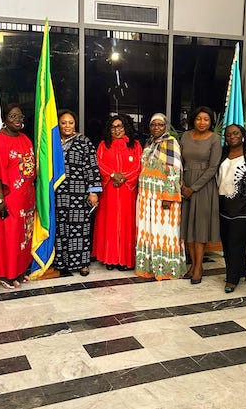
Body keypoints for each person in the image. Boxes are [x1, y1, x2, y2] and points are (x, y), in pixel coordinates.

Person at [0, 103, 35, 289]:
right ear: (5, 119)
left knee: (23, 237)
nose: (17, 120)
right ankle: (5, 273)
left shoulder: (25, 139)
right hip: (8, 198)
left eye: (20, 116)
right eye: (13, 116)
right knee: (9, 237)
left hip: (26, 198)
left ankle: (19, 271)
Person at [135, 113, 186, 280]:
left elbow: (174, 170)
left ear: (165, 127)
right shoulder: (149, 142)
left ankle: (166, 269)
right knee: (149, 231)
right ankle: (149, 267)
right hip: (146, 196)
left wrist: (168, 197)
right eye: (153, 124)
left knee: (165, 231)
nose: (156, 127)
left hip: (163, 196)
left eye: (160, 125)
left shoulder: (171, 143)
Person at [53, 110, 101, 276]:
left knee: (80, 229)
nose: (67, 126)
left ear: (75, 124)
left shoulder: (83, 141)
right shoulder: (53, 142)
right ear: (58, 124)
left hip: (79, 194)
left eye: (71, 122)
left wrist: (93, 192)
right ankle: (61, 262)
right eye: (63, 123)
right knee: (60, 228)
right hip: (58, 194)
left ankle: (82, 263)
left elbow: (92, 167)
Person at [93, 114, 142, 271]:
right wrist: (113, 175)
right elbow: (98, 164)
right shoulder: (103, 145)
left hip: (128, 190)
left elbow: (139, 165)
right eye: (113, 127)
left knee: (127, 224)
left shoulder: (135, 145)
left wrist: (124, 177)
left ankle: (125, 259)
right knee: (110, 224)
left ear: (125, 127)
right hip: (110, 190)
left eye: (120, 126)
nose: (117, 130)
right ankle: (110, 259)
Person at [180, 106, 221, 284]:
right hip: (185, 184)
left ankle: (198, 266)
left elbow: (213, 167)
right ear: (193, 120)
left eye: (206, 119)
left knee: (200, 228)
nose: (202, 122)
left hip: (204, 186)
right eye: (198, 118)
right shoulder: (184, 136)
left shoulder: (214, 139)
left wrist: (193, 188)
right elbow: (179, 162)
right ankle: (192, 265)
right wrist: (182, 185)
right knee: (188, 226)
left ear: (210, 122)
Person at [217, 125, 246, 293]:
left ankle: (232, 279)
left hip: (245, 206)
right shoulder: (223, 154)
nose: (232, 136)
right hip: (224, 205)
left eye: (235, 133)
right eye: (228, 134)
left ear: (243, 135)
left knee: (237, 243)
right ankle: (240, 271)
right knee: (227, 242)